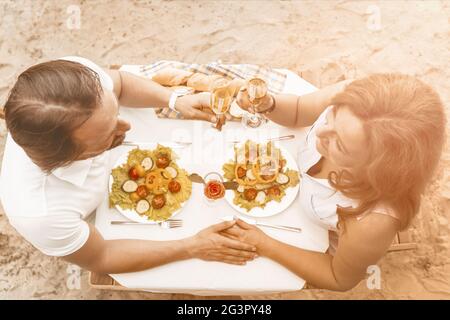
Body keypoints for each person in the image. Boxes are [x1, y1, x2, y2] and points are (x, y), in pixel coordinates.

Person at [0, 56, 257, 274]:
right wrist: (192, 246)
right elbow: (102, 257)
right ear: (69, 158)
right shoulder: (41, 215)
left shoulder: (71, 83)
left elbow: (120, 85)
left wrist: (174, 101)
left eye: (116, 115)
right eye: (108, 134)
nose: (127, 127)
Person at [224, 73, 446, 291]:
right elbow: (299, 110)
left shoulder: (371, 220)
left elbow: (338, 278)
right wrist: (269, 104)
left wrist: (264, 244)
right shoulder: (354, 107)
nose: (320, 131)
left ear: (373, 169)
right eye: (330, 117)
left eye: (339, 144)